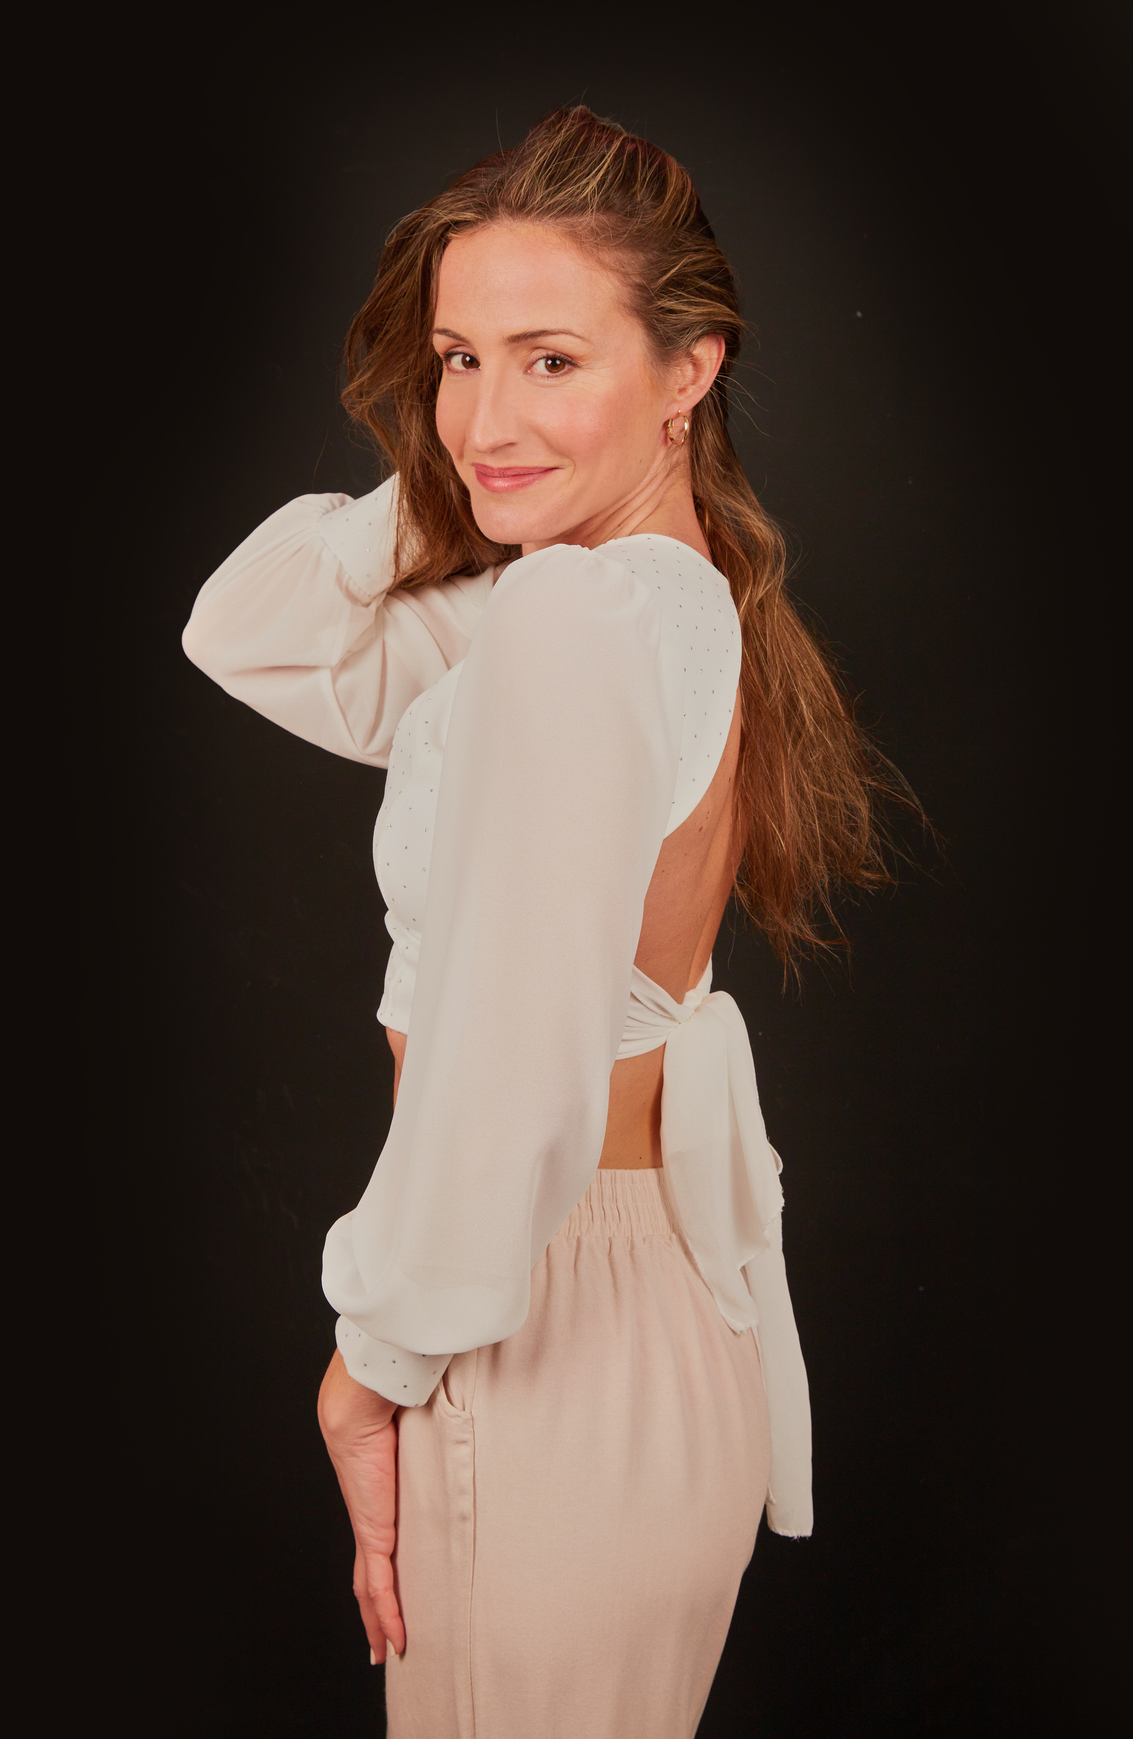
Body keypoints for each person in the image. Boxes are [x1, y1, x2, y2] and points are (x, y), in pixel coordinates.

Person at [182, 107, 897, 1739]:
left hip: (534, 1330)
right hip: (627, 1318)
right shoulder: (629, 600)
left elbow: (508, 1079)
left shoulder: (577, 619)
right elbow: (249, 629)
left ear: (690, 370)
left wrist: (371, 1363)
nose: (484, 415)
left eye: (552, 360)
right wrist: (494, 469)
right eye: (458, 360)